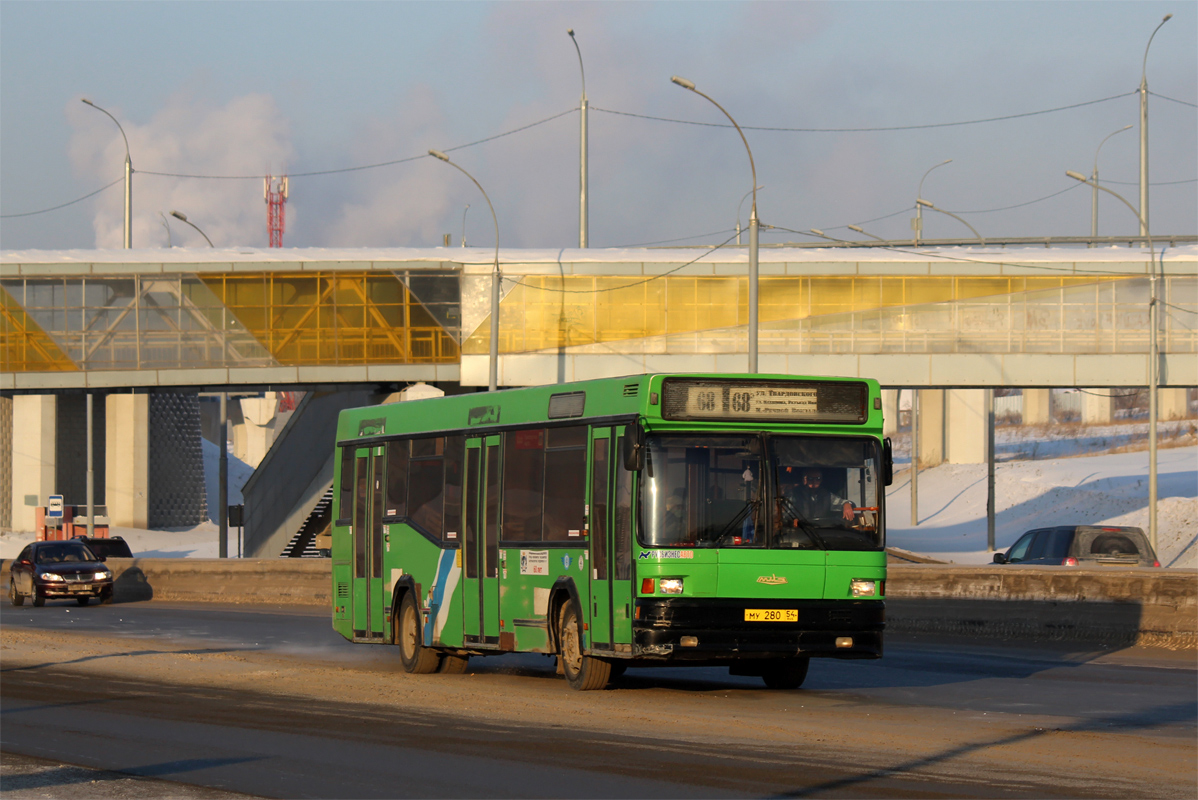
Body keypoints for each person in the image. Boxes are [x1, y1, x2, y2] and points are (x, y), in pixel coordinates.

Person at [778, 467, 854, 527]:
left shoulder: (827, 494)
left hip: (821, 531)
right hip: (801, 532)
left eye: (817, 479)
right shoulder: (794, 494)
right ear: (804, 479)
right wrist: (792, 521)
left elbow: (840, 502)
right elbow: (785, 514)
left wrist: (846, 504)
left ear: (821, 480)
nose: (814, 481)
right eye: (810, 478)